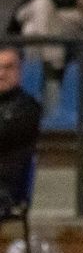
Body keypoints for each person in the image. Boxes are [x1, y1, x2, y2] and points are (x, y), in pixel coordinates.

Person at [0, 48, 42, 219]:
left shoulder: (28, 108)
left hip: (7, 189)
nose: (1, 74)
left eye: (8, 68)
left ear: (19, 71)